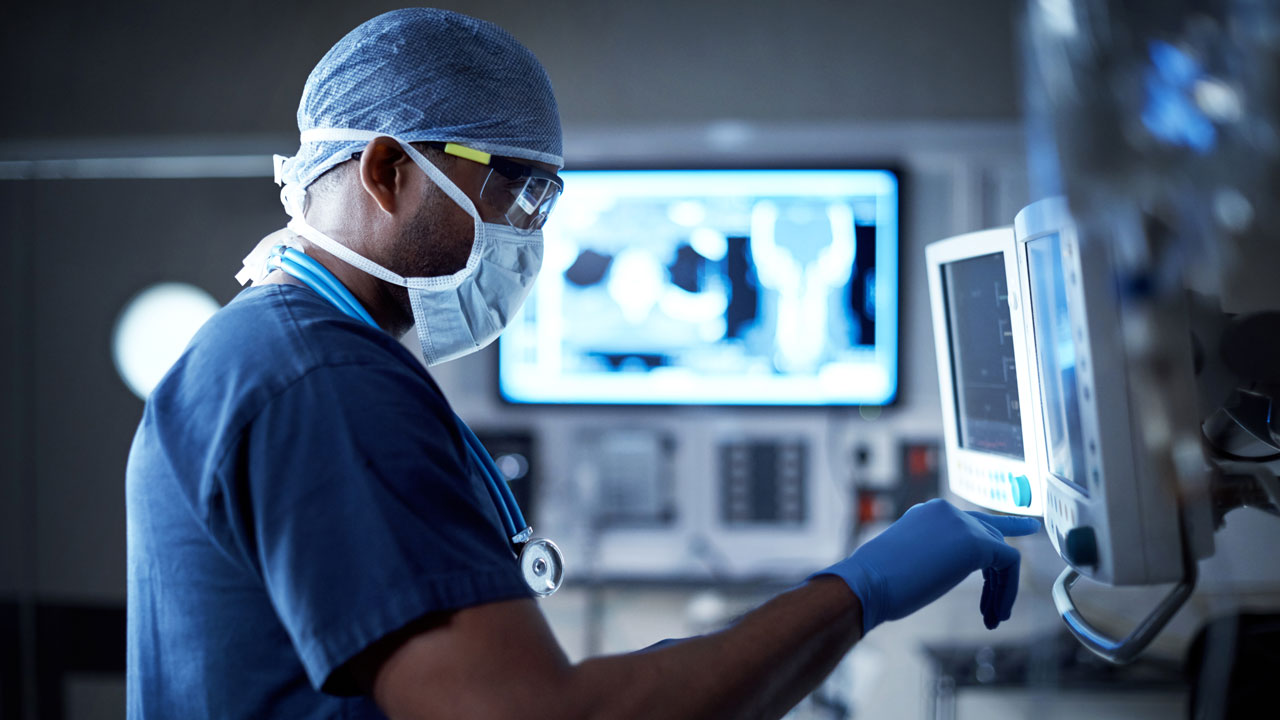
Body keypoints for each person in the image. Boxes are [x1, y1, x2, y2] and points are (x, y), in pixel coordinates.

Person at [125, 8, 1040, 719]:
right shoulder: (322, 385)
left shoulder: (271, 351)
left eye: (549, 200)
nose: (534, 237)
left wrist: (797, 616)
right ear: (386, 172)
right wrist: (863, 590)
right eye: (519, 193)